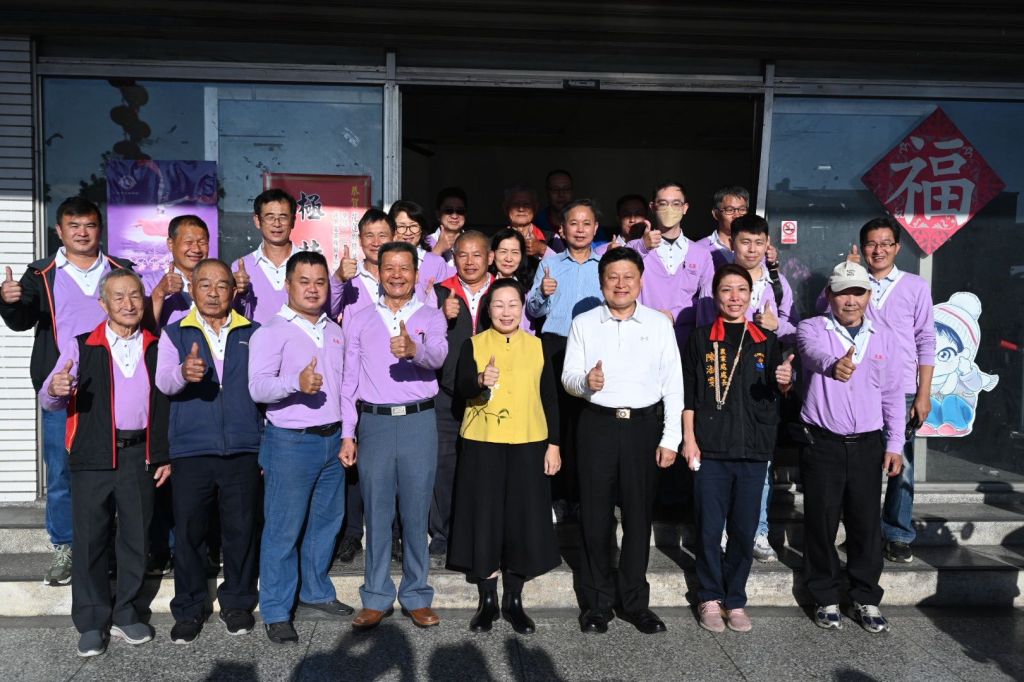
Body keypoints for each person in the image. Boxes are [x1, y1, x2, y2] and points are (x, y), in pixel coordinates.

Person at [0, 196, 133, 586]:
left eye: (89, 225)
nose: (82, 232)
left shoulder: (120, 270)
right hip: (62, 388)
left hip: (116, 387)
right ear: (59, 231)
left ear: (100, 229)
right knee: (61, 472)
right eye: (73, 226)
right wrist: (8, 302)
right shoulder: (40, 273)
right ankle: (65, 546)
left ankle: (109, 547)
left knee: (115, 470)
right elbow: (21, 320)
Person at [38, 268, 170, 657]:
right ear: (103, 304)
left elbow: (166, 404)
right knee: (90, 540)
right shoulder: (82, 345)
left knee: (136, 538)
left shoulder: (157, 346)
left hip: (139, 454)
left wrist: (163, 454)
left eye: (135, 295)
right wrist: (56, 389)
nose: (128, 304)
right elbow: (50, 397)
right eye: (119, 297)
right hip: (93, 454)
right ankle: (92, 621)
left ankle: (127, 612)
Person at [561, 248, 683, 635]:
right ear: (601, 283)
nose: (620, 284)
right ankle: (597, 604)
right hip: (596, 426)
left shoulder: (658, 324)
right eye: (612, 277)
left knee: (637, 518)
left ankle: (634, 603)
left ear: (640, 281)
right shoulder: (584, 323)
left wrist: (672, 438)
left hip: (643, 429)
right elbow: (568, 377)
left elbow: (673, 384)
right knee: (594, 518)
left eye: (628, 276)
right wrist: (586, 383)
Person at [340, 241, 448, 631]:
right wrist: (348, 432)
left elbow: (438, 356)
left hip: (418, 421)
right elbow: (349, 380)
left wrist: (414, 349)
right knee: (378, 512)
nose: (397, 275)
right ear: (379, 273)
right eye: (389, 268)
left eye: (404, 268)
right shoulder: (360, 318)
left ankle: (417, 595)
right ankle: (376, 596)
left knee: (416, 513)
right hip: (375, 424)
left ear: (416, 274)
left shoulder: (431, 316)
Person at [155, 258, 263, 644]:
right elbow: (163, 382)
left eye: (221, 285)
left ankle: (237, 603)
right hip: (191, 450)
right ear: (192, 289)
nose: (213, 293)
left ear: (233, 291)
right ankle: (189, 607)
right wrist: (183, 373)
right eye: (205, 285)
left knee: (240, 530)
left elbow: (264, 391)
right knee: (189, 533)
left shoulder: (254, 332)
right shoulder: (174, 333)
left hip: (243, 448)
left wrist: (263, 442)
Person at [682, 263, 793, 634]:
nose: (734, 297)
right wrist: (689, 439)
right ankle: (709, 596)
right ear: (715, 296)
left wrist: (785, 380)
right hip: (711, 448)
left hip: (753, 449)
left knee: (744, 530)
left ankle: (735, 598)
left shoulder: (766, 340)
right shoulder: (701, 338)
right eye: (727, 290)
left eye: (742, 290)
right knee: (709, 528)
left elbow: (780, 388)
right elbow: (689, 394)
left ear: (751, 296)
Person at [248, 251, 352, 645]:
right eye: (304, 281)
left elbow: (345, 387)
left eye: (320, 282)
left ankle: (315, 592)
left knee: (325, 524)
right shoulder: (271, 330)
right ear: (288, 284)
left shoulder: (335, 330)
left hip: (332, 440)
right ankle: (276, 610)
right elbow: (257, 387)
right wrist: (295, 382)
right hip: (291, 442)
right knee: (283, 529)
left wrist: (348, 434)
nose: (312, 289)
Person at [448, 278, 562, 634]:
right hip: (483, 443)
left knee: (521, 520)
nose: (506, 312)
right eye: (498, 305)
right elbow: (461, 388)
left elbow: (549, 399)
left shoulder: (537, 346)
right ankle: (487, 601)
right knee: (485, 519)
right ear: (488, 309)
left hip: (529, 442)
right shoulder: (474, 344)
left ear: (522, 307)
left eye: (513, 304)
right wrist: (480, 379)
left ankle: (514, 599)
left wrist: (554, 444)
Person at [797, 261, 905, 634]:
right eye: (843, 293)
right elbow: (811, 354)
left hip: (868, 445)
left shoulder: (884, 336)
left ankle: (865, 597)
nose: (851, 300)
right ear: (829, 295)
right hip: (822, 443)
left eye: (858, 292)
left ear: (868, 296)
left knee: (865, 524)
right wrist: (833, 366)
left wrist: (895, 443)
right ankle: (825, 595)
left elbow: (893, 394)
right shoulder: (813, 327)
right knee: (821, 522)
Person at [718, 213, 800, 563]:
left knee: (761, 460)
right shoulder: (718, 278)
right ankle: (723, 528)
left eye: (758, 242)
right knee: (720, 458)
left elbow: (796, 332)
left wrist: (775, 325)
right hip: (724, 377)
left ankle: (759, 530)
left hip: (762, 380)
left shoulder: (778, 284)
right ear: (732, 243)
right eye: (745, 242)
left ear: (767, 245)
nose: (751, 249)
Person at [854, 218, 935, 565]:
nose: (879, 250)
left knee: (902, 464)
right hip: (859, 387)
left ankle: (898, 533)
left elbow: (926, 339)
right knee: (862, 465)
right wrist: (849, 274)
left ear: (898, 248)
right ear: (862, 247)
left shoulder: (915, 286)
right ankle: (864, 533)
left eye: (886, 243)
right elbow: (827, 314)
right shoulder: (853, 281)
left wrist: (924, 393)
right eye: (872, 243)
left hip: (901, 389)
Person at [526, 199, 605, 516]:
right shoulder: (551, 263)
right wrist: (543, 293)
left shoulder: (605, 265)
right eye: (574, 223)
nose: (580, 229)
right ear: (562, 229)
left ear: (596, 228)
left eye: (587, 223)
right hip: (556, 343)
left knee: (587, 420)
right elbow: (533, 311)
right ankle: (557, 494)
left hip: (594, 347)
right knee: (555, 416)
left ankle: (584, 495)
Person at [429, 231, 494, 566]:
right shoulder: (440, 292)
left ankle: (483, 530)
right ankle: (442, 533)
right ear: (454, 258)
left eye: (476, 255)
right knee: (444, 465)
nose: (469, 262)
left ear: (490, 257)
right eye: (463, 255)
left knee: (485, 465)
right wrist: (441, 315)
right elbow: (422, 337)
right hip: (446, 392)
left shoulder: (503, 291)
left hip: (492, 393)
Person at [333, 208, 394, 564]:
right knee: (352, 459)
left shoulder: (400, 277)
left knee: (392, 461)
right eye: (369, 236)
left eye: (382, 235)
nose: (375, 242)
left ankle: (394, 534)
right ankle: (352, 532)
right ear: (360, 240)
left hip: (393, 381)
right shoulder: (349, 280)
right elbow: (327, 308)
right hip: (355, 380)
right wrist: (338, 280)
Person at [628, 181, 715, 351]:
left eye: (676, 204)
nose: (670, 209)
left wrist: (675, 315)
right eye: (663, 203)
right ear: (652, 207)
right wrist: (643, 247)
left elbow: (708, 300)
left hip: (686, 341)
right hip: (641, 338)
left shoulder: (701, 253)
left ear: (685, 208)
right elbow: (622, 278)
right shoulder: (635, 248)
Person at [233, 189, 301, 325]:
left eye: (283, 217)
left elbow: (330, 310)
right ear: (257, 221)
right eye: (270, 217)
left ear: (293, 221)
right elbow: (232, 316)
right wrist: (240, 293)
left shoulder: (310, 265)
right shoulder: (240, 267)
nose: (277, 224)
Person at [143, 214, 211, 331]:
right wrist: (159, 293)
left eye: (202, 242)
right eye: (188, 242)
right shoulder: (149, 282)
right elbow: (142, 332)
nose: (196, 249)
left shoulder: (218, 282)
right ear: (170, 244)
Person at [389, 200, 453, 296]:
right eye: (401, 226)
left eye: (414, 226)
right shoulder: (382, 260)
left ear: (421, 228)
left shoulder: (437, 263)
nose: (408, 232)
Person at [489, 228, 539, 334]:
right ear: (493, 254)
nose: (508, 258)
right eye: (503, 252)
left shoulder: (530, 286)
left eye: (515, 252)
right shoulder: (484, 284)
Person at [702, 186, 750, 270]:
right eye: (730, 210)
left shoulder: (755, 247)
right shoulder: (700, 248)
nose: (737, 215)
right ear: (716, 214)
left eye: (742, 209)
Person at [505, 184, 556, 260]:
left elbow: (566, 266)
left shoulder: (553, 238)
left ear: (535, 207)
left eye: (526, 204)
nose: (521, 209)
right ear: (506, 208)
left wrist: (542, 249)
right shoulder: (495, 240)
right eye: (516, 204)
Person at [425, 187, 468, 265]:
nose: (454, 216)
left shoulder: (474, 243)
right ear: (438, 214)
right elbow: (421, 272)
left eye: (460, 211)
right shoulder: (424, 243)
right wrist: (438, 249)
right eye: (449, 210)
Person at [535, 169, 573, 238]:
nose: (561, 194)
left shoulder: (584, 223)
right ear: (547, 192)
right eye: (555, 190)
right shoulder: (536, 223)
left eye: (566, 189)